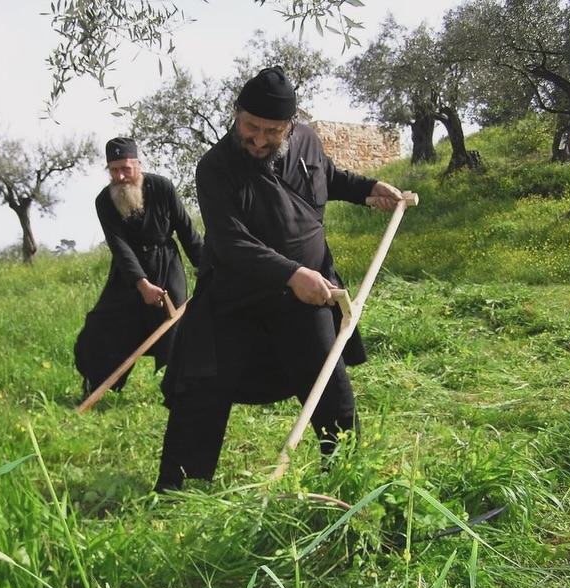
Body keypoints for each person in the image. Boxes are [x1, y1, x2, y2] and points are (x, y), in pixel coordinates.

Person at [153, 66, 404, 492]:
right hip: (236, 295)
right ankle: (180, 492)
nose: (258, 139)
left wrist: (367, 189)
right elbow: (231, 241)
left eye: (272, 131)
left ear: (290, 126)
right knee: (201, 392)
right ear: (237, 115)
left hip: (305, 298)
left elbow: (326, 176)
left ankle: (346, 480)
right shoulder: (215, 167)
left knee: (330, 388)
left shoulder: (306, 139)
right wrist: (290, 273)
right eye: (251, 126)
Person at [74, 137, 204, 400]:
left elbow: (187, 231)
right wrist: (141, 284)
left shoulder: (162, 187)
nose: (121, 176)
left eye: (126, 168)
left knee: (176, 329)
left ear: (138, 164)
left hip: (167, 267)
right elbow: (119, 247)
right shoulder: (104, 201)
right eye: (114, 170)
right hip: (128, 274)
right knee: (101, 325)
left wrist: (207, 267)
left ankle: (180, 392)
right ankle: (95, 386)